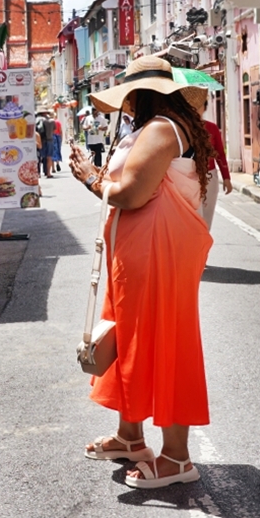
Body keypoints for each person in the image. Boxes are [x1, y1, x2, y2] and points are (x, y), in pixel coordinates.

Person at [68, 56, 215, 490]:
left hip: (156, 254)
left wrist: (90, 178)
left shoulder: (159, 130)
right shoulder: (159, 128)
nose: (124, 104)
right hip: (142, 253)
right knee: (132, 338)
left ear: (140, 94)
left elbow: (131, 194)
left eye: (128, 96)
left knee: (166, 340)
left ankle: (176, 458)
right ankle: (131, 437)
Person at [185, 90, 233, 229]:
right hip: (189, 176)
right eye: (191, 107)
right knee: (191, 216)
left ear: (204, 107)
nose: (195, 110)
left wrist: (226, 178)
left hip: (210, 176)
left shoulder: (212, 128)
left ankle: (202, 247)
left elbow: (220, 154)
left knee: (206, 217)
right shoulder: (183, 128)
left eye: (198, 106)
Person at [35, 110, 56, 178]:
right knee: (49, 157)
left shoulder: (37, 120)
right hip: (50, 140)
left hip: (40, 140)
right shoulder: (52, 121)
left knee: (39, 156)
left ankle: (38, 173)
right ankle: (48, 173)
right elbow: (54, 130)